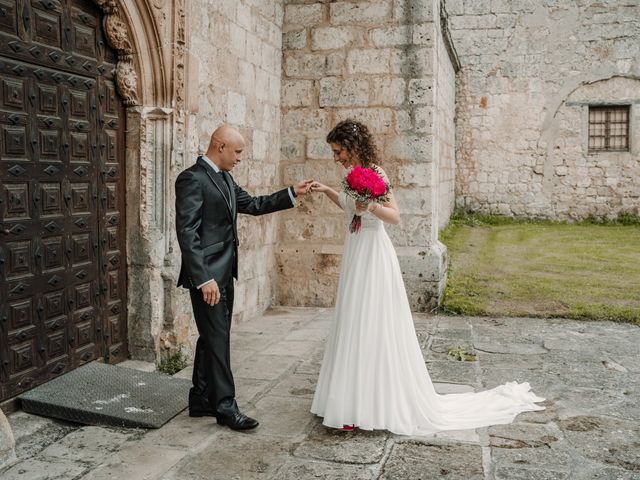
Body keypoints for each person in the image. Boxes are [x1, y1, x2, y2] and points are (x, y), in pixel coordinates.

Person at [309, 120, 544, 435]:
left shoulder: (376, 174)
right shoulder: (349, 177)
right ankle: (347, 401)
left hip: (374, 255)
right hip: (355, 252)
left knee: (371, 323)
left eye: (338, 151)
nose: (336, 157)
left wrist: (371, 205)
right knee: (352, 321)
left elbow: (394, 216)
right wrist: (327, 191)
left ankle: (369, 403)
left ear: (353, 148)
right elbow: (350, 206)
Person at [175, 125, 312, 431]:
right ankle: (225, 407)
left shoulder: (225, 177)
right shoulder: (191, 179)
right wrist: (203, 278)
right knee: (219, 337)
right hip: (208, 277)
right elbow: (187, 233)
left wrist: (291, 193)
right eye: (237, 152)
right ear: (219, 146)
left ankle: (200, 397)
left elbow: (252, 205)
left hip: (225, 271)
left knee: (213, 335)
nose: (239, 158)